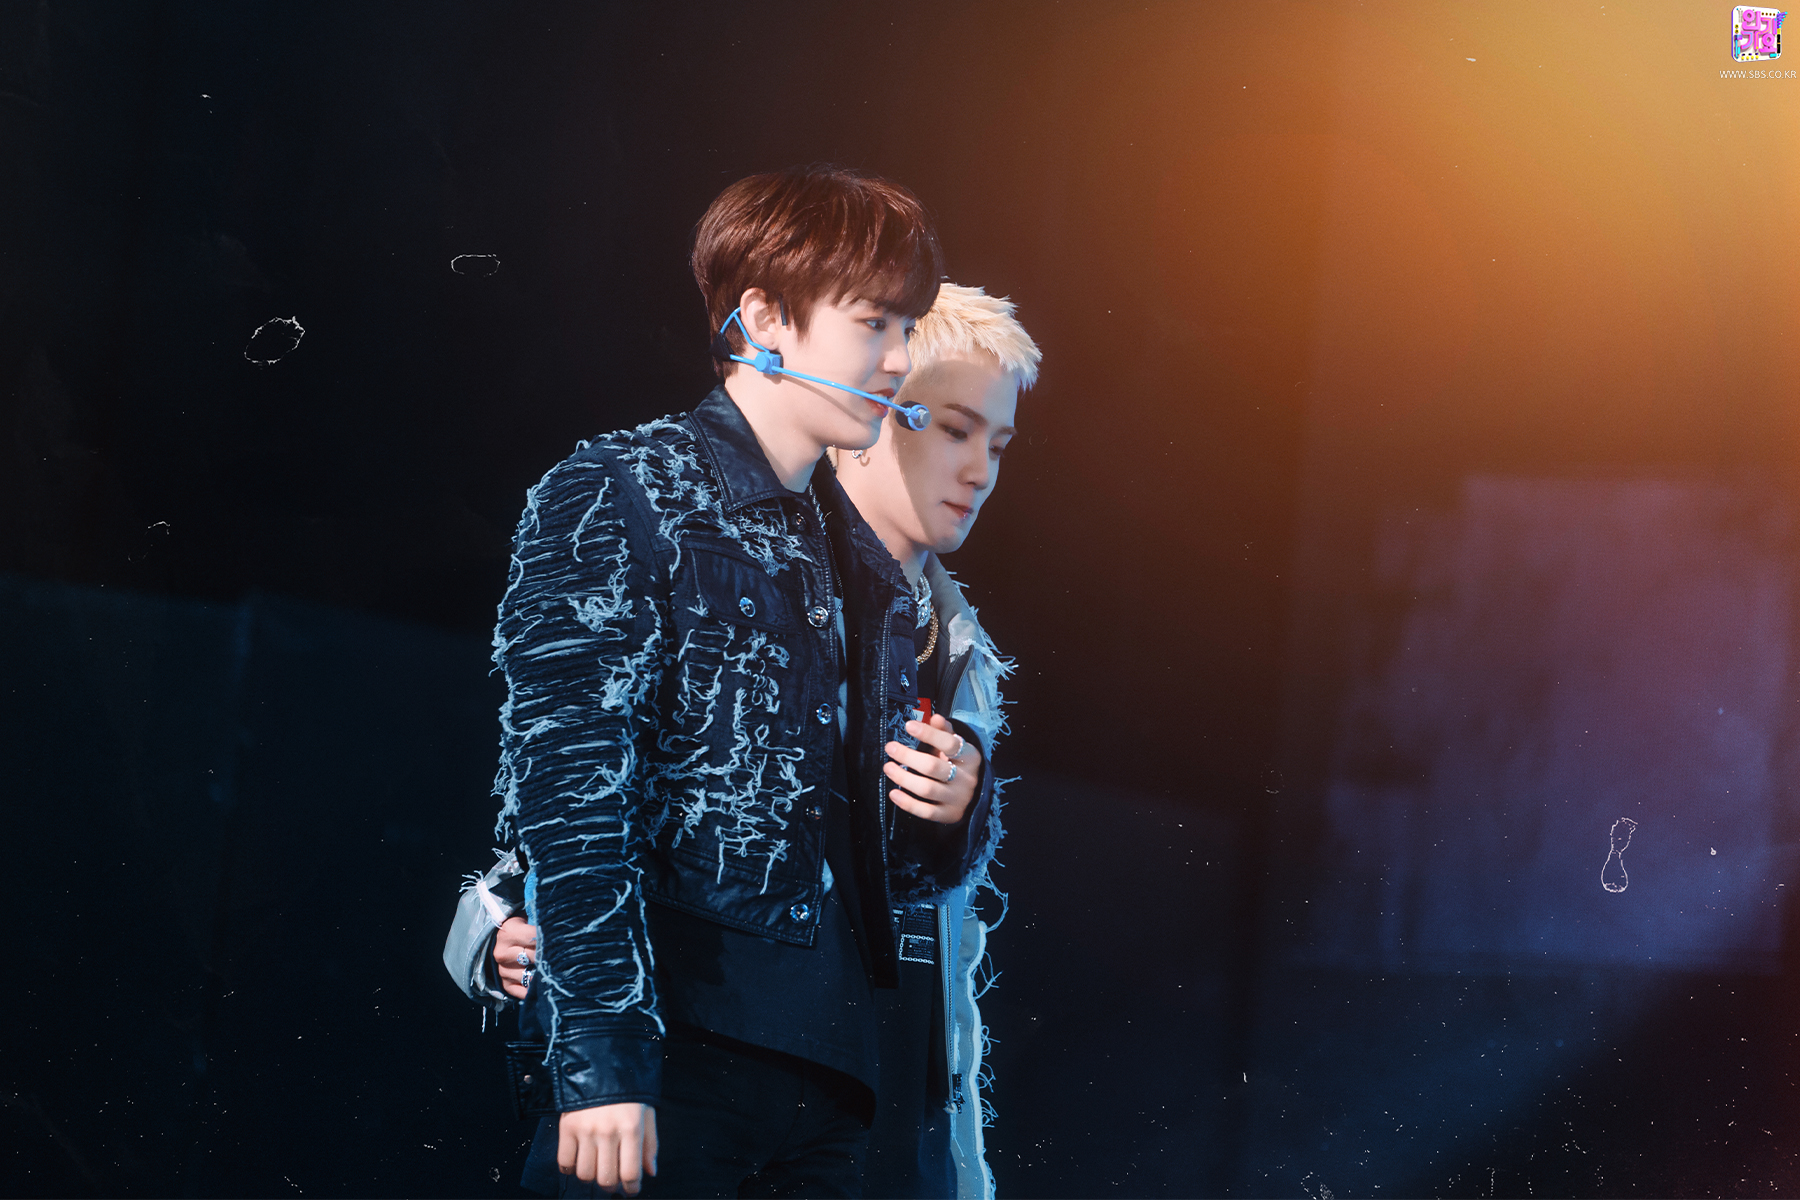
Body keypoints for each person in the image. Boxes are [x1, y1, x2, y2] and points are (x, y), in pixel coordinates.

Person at [469, 165, 1000, 1198]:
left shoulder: (869, 571)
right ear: (763, 318)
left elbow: (885, 865)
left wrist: (952, 808)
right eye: (874, 323)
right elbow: (573, 794)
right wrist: (603, 1059)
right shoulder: (623, 488)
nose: (900, 359)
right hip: (675, 1053)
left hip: (829, 1081)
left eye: (907, 327)